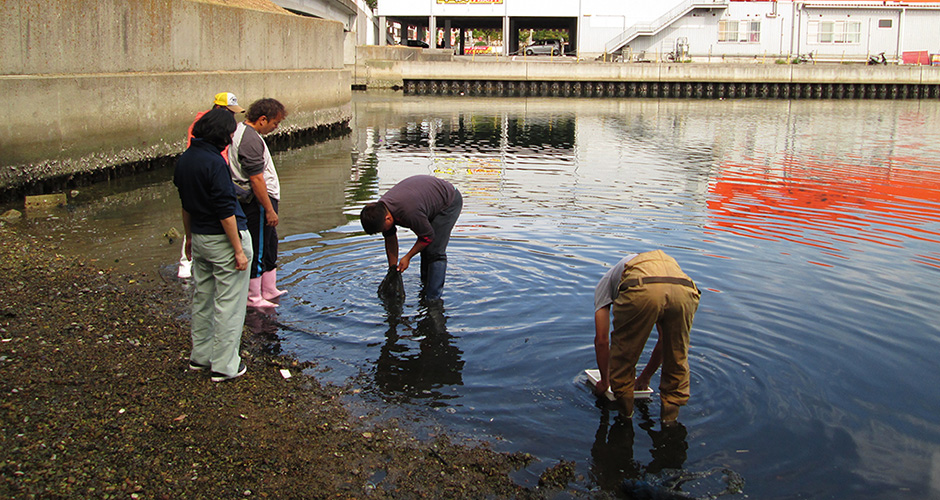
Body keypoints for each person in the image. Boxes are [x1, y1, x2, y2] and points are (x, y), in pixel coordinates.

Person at [173, 107, 252, 382]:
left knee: (203, 298)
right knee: (229, 304)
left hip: (200, 238)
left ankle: (200, 356)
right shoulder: (214, 163)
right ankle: (225, 366)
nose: (231, 139)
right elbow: (225, 210)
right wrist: (238, 250)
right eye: (230, 134)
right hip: (224, 241)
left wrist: (190, 239)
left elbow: (185, 204)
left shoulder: (184, 160)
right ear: (221, 135)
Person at [592, 250, 700, 424]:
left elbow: (602, 340)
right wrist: (645, 377)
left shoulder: (604, 285)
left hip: (642, 288)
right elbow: (664, 341)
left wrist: (605, 381)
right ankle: (670, 423)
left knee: (624, 360)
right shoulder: (653, 265)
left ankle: (625, 419)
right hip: (685, 288)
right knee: (677, 357)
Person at [359, 175, 462, 302]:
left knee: (435, 251)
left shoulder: (408, 212)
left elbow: (427, 237)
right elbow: (390, 238)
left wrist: (407, 257)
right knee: (426, 249)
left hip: (449, 201)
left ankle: (433, 299)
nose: (384, 232)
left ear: (388, 219)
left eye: (383, 229)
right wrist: (393, 269)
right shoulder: (381, 211)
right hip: (426, 201)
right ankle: (425, 286)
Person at [178, 91, 246, 279]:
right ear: (218, 108)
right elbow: (225, 211)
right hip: (210, 172)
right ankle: (186, 261)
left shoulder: (194, 153)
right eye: (229, 112)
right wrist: (239, 251)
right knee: (216, 210)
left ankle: (191, 259)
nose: (232, 117)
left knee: (197, 209)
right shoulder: (206, 129)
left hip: (213, 170)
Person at [228, 98, 287, 308]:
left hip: (265, 198)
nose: (276, 128)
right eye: (275, 123)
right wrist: (269, 209)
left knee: (270, 241)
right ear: (263, 120)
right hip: (259, 201)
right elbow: (256, 178)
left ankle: (269, 288)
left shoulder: (246, 134)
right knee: (259, 244)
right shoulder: (249, 139)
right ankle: (253, 297)